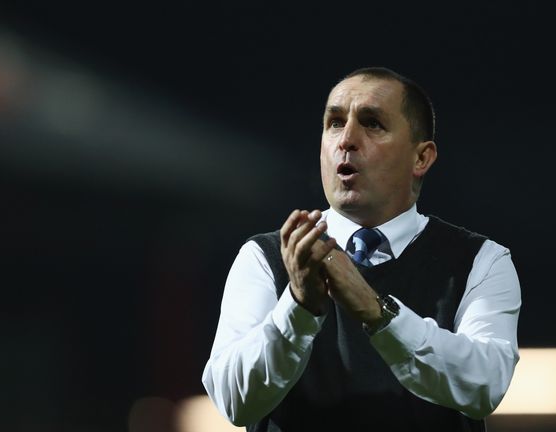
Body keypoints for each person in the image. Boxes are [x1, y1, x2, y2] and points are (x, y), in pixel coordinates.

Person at [202, 67, 521, 432]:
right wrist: (299, 306)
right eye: (335, 123)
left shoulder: (480, 261)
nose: (347, 139)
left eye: (372, 123)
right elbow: (233, 402)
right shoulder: (265, 258)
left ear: (422, 158)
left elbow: (484, 385)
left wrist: (375, 311)